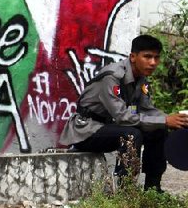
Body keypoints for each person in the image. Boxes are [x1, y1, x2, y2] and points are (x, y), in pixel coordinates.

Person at [60, 34, 188, 191]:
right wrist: (165, 120)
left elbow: (147, 109)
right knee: (131, 135)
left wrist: (175, 120)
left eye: (156, 57)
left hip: (109, 127)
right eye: (147, 57)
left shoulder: (141, 78)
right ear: (133, 57)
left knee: (158, 131)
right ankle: (124, 191)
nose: (153, 62)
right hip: (85, 131)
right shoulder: (113, 76)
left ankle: (153, 188)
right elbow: (122, 116)